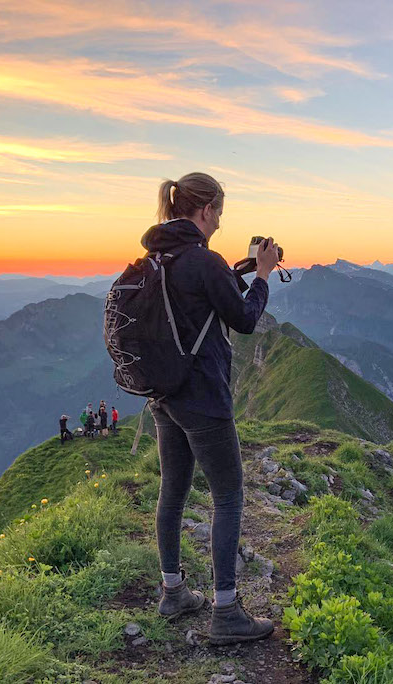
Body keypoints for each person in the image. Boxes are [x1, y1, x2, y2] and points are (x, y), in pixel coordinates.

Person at [145, 172, 279, 645]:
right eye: (219, 212)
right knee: (227, 495)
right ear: (205, 211)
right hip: (202, 397)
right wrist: (262, 275)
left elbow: (202, 299)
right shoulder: (203, 260)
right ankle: (226, 612)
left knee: (173, 490)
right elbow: (242, 319)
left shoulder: (158, 256)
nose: (221, 222)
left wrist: (235, 274)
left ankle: (174, 592)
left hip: (164, 395)